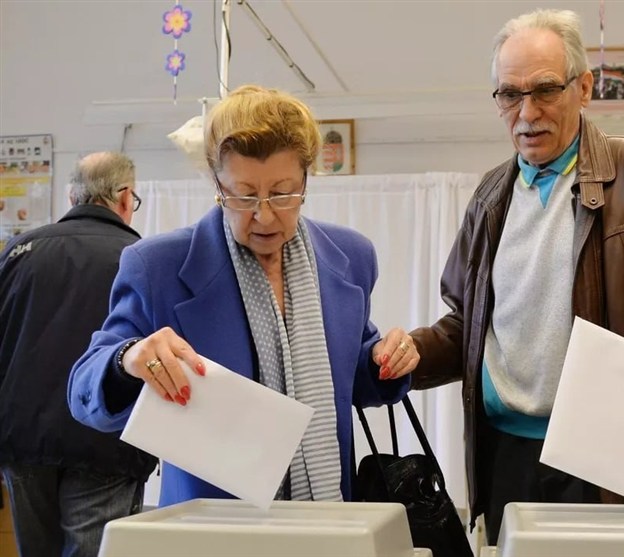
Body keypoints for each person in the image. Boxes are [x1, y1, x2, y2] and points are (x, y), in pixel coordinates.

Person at [400, 9, 624, 544]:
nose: (526, 112)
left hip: (604, 455)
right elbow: (465, 324)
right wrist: (412, 353)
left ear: (584, 88)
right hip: (505, 451)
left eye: (545, 90)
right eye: (509, 95)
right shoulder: (491, 197)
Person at [68, 85, 417, 507]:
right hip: (211, 529)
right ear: (217, 182)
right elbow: (82, 391)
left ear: (307, 178)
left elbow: (353, 377)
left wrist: (387, 359)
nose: (264, 214)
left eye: (283, 193)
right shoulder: (157, 266)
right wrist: (128, 360)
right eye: (244, 195)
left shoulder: (350, 257)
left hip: (328, 522)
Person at [0, 152, 154, 557]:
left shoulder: (20, 251)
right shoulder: (140, 259)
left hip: (22, 441)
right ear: (124, 198)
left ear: (72, 198)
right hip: (106, 443)